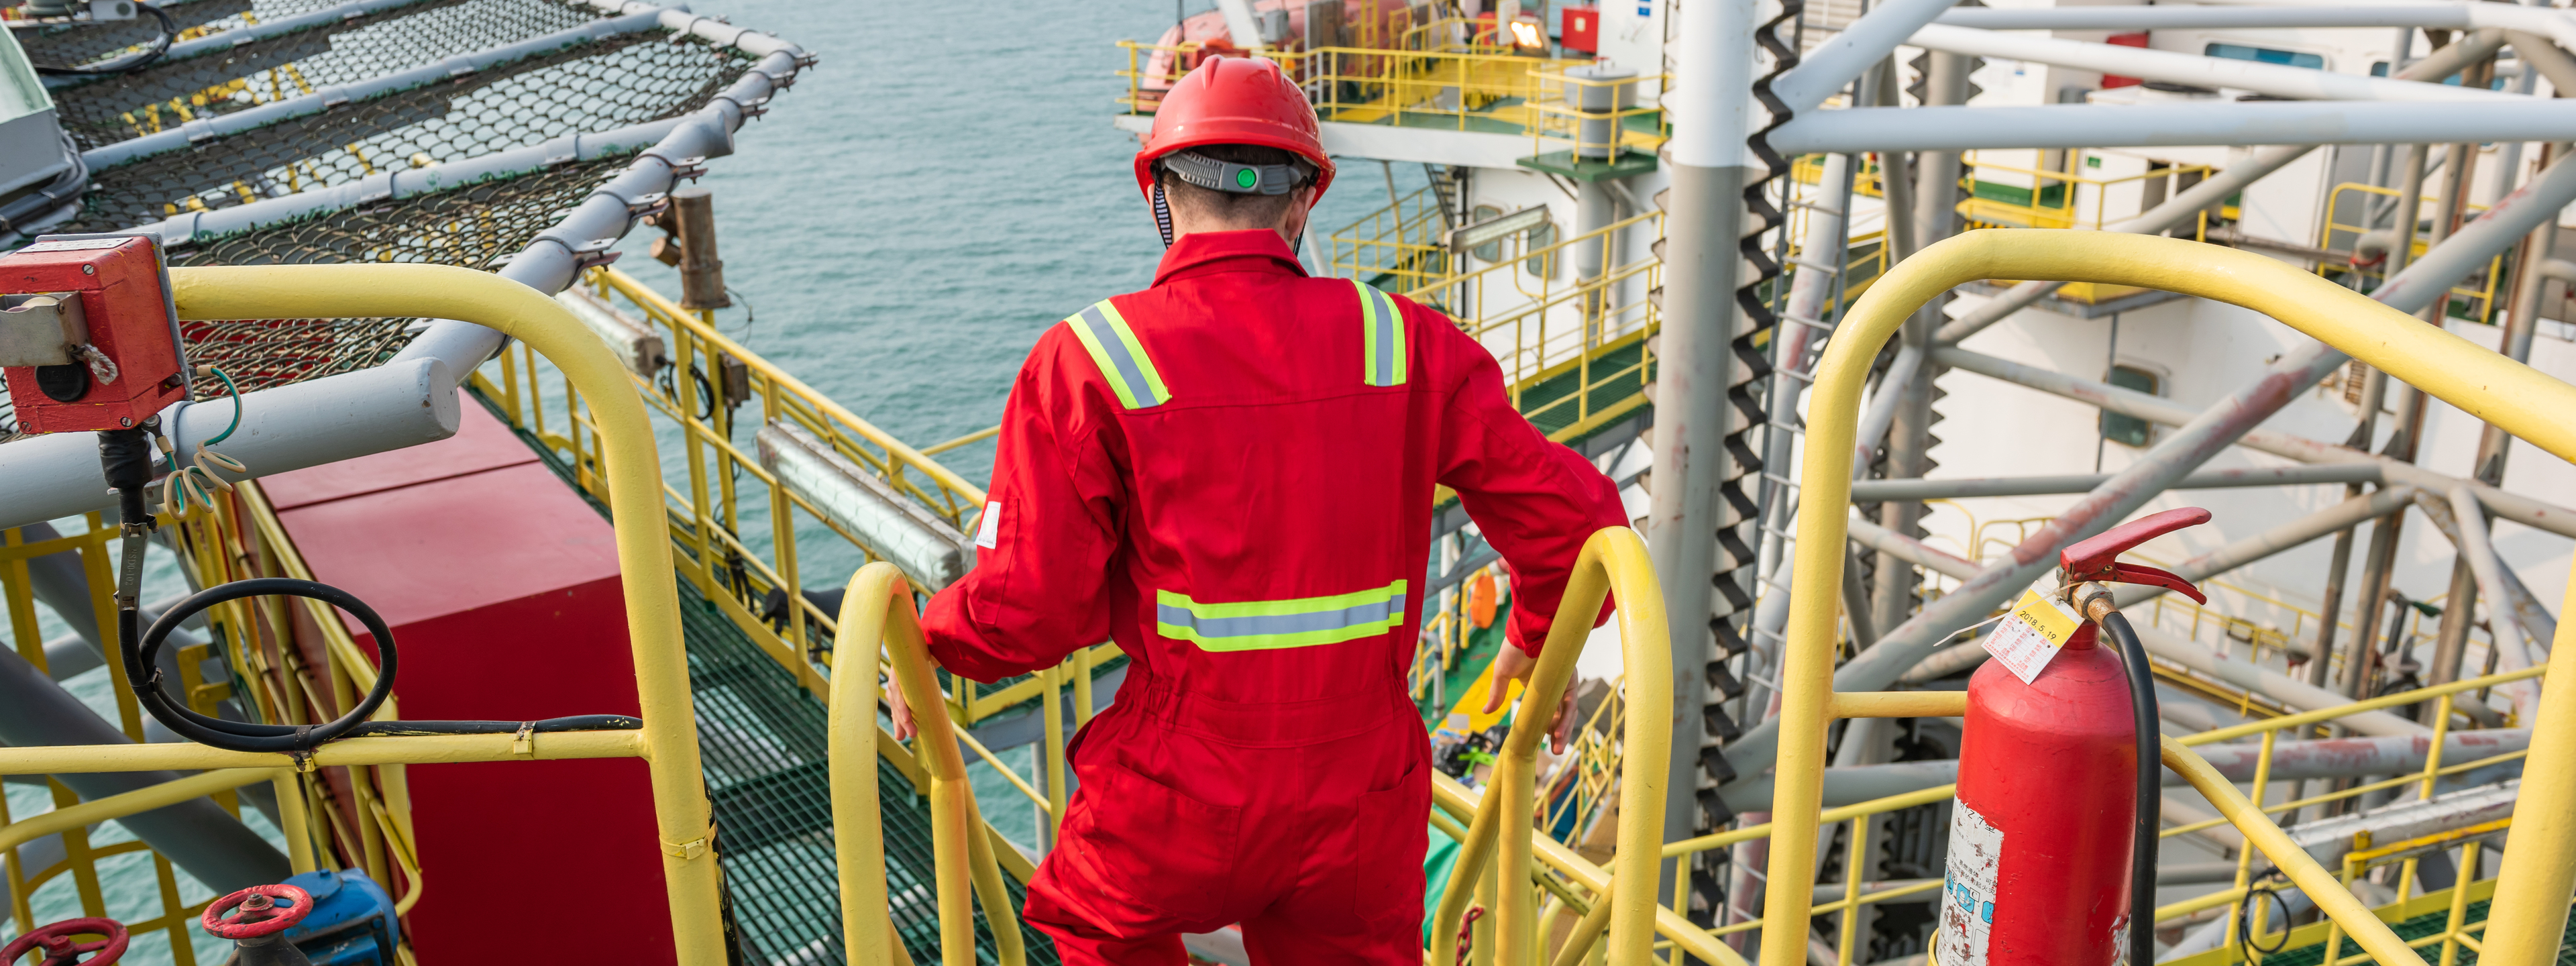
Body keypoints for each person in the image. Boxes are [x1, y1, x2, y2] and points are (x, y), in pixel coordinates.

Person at [899, 54, 1628, 965]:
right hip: (1361, 796)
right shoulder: (1406, 343)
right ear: (1301, 204)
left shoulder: (1088, 359)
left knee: (1087, 924)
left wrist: (923, 642)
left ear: (1160, 195)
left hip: (1177, 792)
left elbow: (1029, 612)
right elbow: (1580, 526)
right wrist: (1532, 646)